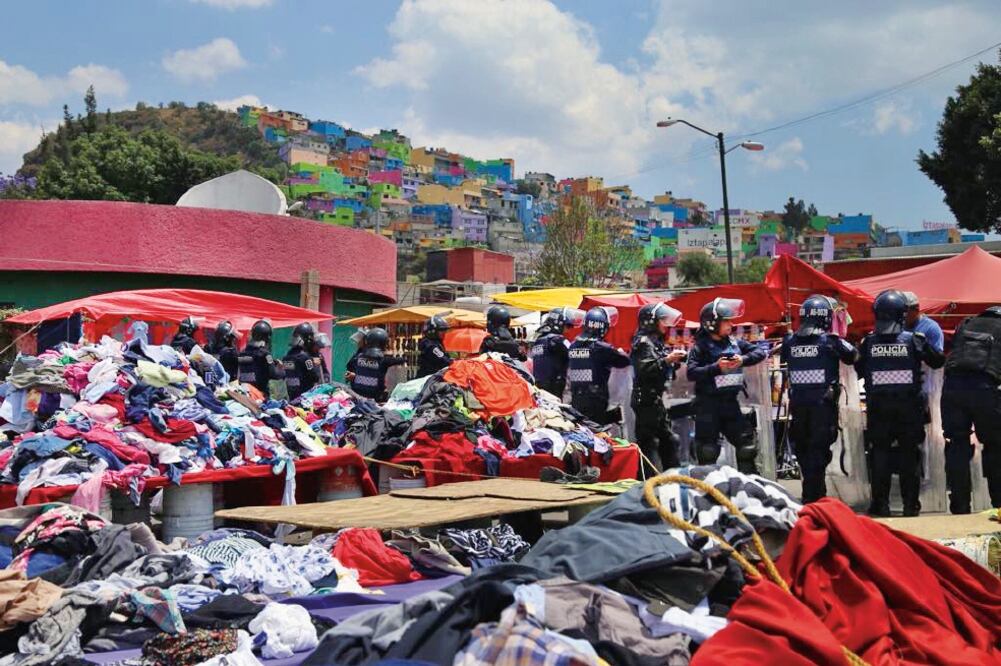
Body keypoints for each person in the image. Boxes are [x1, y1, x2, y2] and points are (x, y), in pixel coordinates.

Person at [856, 289, 945, 517]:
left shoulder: (869, 342)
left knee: (880, 454)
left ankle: (881, 505)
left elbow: (858, 369)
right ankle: (910, 505)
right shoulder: (914, 340)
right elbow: (937, 361)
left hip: (878, 409)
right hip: (909, 409)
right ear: (902, 314)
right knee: (909, 455)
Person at [780, 295, 858, 503]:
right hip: (823, 409)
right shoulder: (831, 342)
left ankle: (810, 495)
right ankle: (817, 497)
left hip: (798, 408)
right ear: (825, 318)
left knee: (804, 451)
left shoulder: (789, 342)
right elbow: (853, 356)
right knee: (819, 451)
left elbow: (785, 359)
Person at [687, 298, 766, 474]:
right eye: (726, 321)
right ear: (712, 324)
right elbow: (691, 372)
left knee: (747, 447)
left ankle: (749, 484)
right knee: (708, 451)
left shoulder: (734, 342)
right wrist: (716, 367)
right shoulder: (700, 347)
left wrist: (743, 359)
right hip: (708, 406)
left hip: (731, 405)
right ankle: (708, 487)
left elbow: (760, 352)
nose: (731, 324)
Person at [941, 306, 1001, 513]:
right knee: (995, 445)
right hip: (985, 389)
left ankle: (960, 505)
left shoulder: (965, 324)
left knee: (957, 445)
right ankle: (999, 502)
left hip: (952, 388)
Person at [631, 302, 687, 474]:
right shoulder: (643, 342)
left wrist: (673, 362)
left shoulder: (654, 342)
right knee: (649, 444)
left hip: (655, 400)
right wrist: (668, 360)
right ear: (650, 321)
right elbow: (644, 370)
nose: (665, 324)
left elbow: (658, 367)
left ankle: (673, 479)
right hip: (646, 401)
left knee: (669, 441)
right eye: (662, 320)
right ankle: (649, 482)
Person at [567, 307, 631, 427]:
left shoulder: (573, 346)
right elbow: (624, 361)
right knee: (598, 432)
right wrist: (620, 352)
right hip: (596, 400)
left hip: (576, 398)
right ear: (602, 328)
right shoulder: (602, 348)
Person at [530, 307, 583, 398]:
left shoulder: (539, 340)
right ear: (558, 324)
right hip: (554, 389)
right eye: (568, 326)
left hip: (539, 388)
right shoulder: (557, 340)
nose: (569, 329)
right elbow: (575, 353)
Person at [346, 327, 406, 401]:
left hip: (357, 395)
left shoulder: (357, 357)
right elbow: (400, 360)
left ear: (367, 341)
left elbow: (349, 367)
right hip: (375, 397)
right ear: (384, 343)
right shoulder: (384, 360)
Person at [236, 320, 285, 398]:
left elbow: (253, 365)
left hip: (244, 394)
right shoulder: (266, 355)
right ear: (267, 338)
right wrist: (282, 371)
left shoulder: (242, 353)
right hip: (260, 396)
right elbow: (274, 374)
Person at [283, 322, 324, 401]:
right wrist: (314, 364)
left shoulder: (286, 357)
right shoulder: (305, 358)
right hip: (305, 399)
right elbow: (315, 377)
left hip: (291, 398)